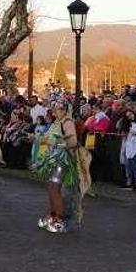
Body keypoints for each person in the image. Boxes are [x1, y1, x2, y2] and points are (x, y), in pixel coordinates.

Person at [32, 96, 91, 234]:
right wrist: (36, 138)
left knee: (55, 189)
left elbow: (73, 141)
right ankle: (52, 215)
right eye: (53, 109)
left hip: (62, 160)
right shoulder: (56, 122)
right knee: (51, 188)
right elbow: (46, 138)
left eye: (57, 109)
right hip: (53, 159)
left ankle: (59, 219)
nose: (54, 112)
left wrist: (57, 143)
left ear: (64, 109)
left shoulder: (67, 121)